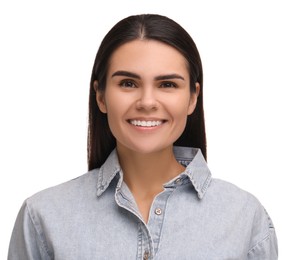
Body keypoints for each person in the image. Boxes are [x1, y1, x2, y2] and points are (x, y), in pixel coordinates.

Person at [8, 14, 278, 259]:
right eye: (128, 83)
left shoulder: (245, 218)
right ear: (100, 96)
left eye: (167, 84)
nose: (147, 102)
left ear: (193, 98)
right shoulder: (43, 216)